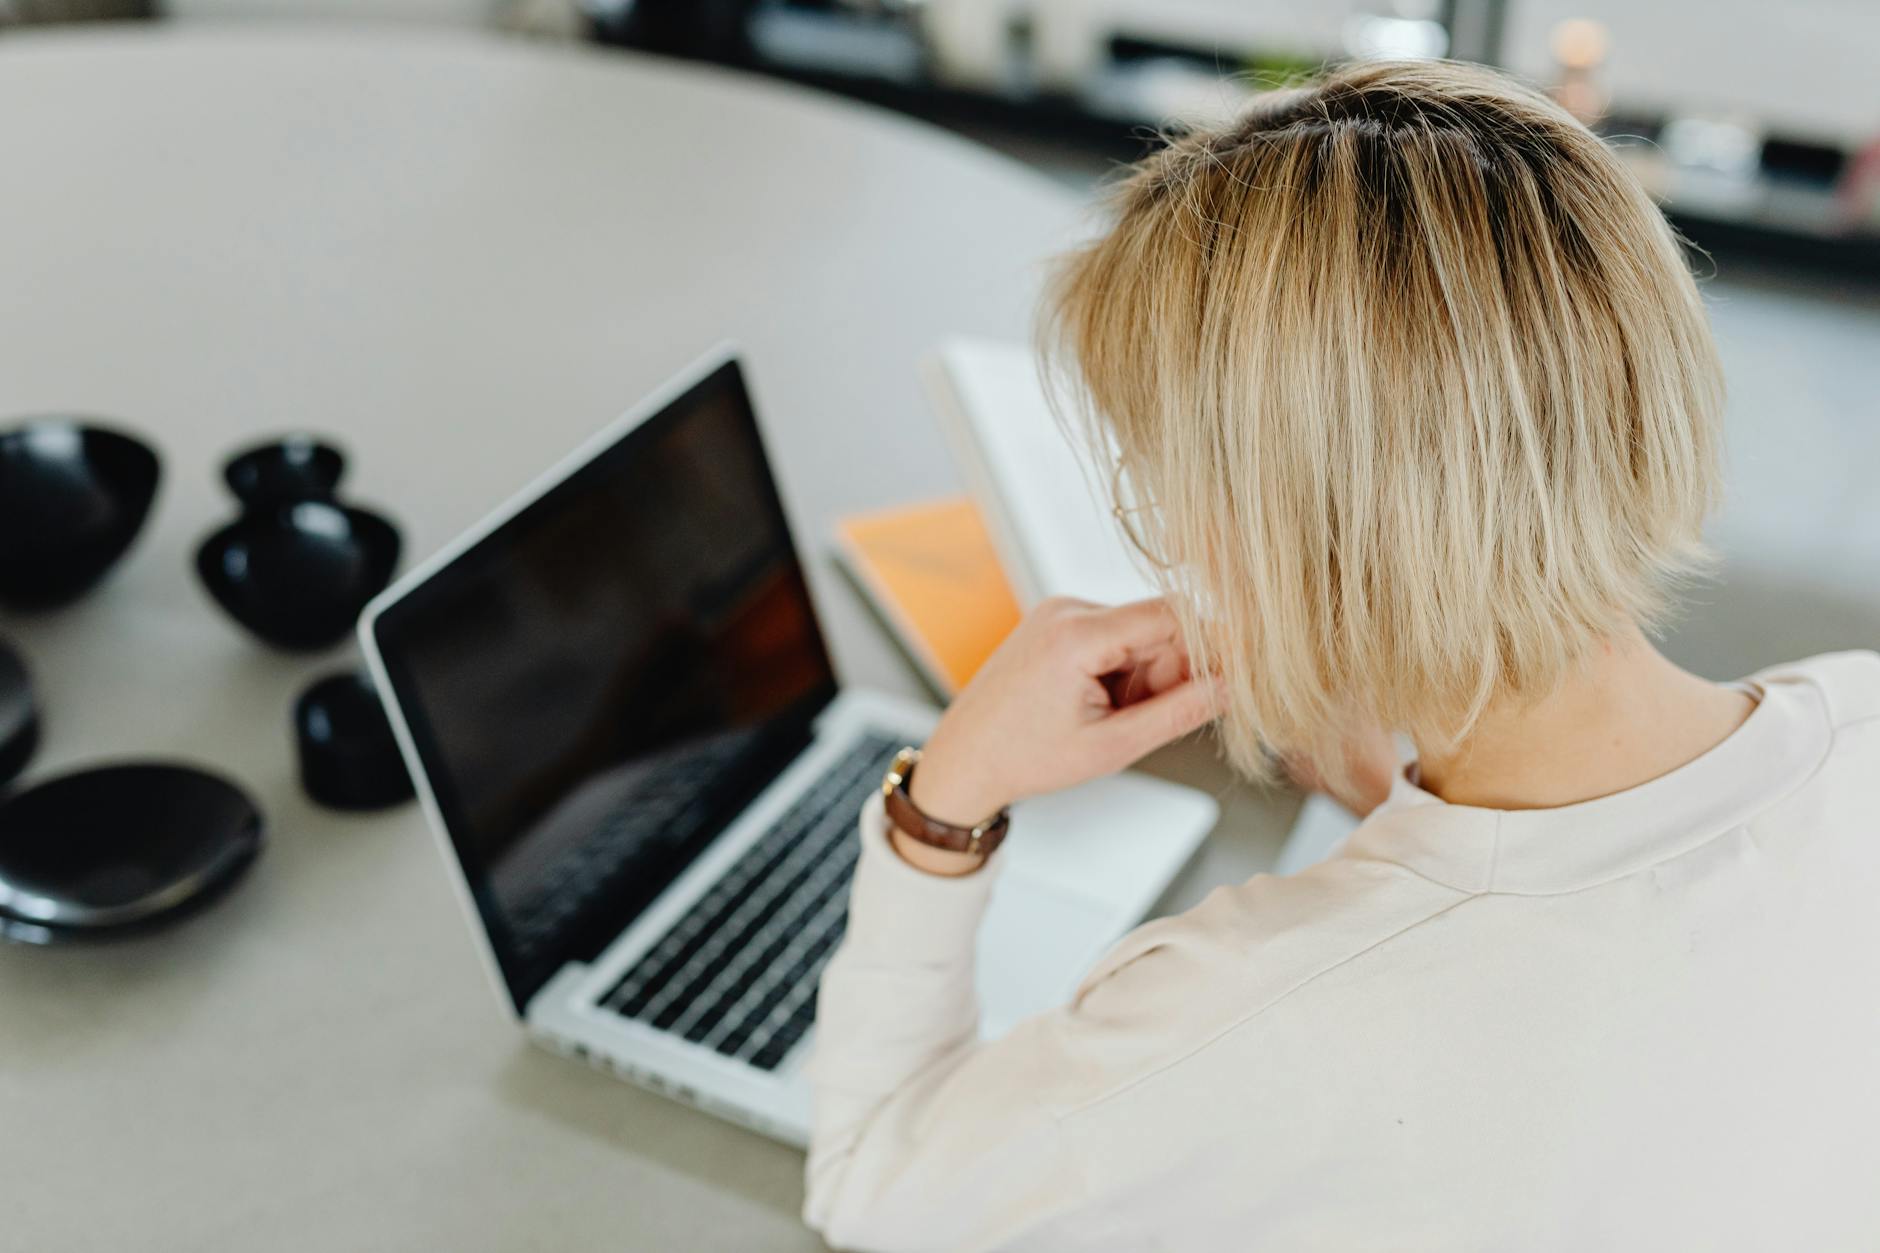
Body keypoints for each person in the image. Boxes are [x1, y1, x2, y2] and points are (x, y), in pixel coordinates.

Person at [802, 60, 1880, 1251]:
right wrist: (1393, 792)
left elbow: (871, 1186)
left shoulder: (1250, 1008)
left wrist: (944, 800)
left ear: (1278, 529)